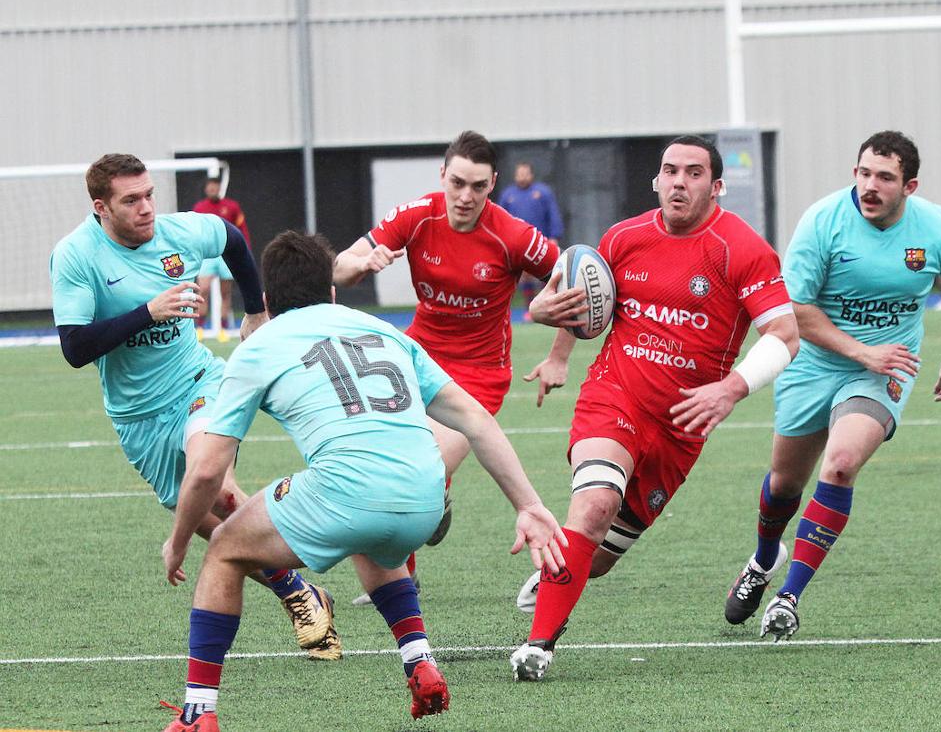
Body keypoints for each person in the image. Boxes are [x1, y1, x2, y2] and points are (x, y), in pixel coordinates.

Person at [159, 231, 567, 730]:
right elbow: (476, 419)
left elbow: (205, 470)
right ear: (332, 293)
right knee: (372, 534)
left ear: (266, 301)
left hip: (349, 492)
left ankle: (198, 712)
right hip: (425, 495)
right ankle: (419, 659)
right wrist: (527, 504)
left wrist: (179, 540)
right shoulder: (387, 332)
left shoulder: (259, 345)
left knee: (224, 549)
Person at [510, 135, 800, 681]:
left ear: (715, 187)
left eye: (693, 173)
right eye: (669, 171)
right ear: (656, 180)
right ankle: (539, 646)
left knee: (595, 560)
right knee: (594, 507)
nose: (678, 182)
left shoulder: (741, 248)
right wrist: (549, 332)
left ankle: (564, 568)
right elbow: (576, 303)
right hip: (613, 398)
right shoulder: (623, 238)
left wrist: (732, 387)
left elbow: (784, 335)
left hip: (681, 430)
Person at [48, 154, 339, 662]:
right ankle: (299, 590)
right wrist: (148, 312)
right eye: (131, 200)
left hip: (200, 382)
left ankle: (299, 583)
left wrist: (256, 311)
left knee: (215, 483)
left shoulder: (178, 233)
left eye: (149, 195)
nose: (146, 209)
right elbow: (75, 348)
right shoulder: (75, 256)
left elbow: (231, 238)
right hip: (138, 417)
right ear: (101, 207)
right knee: (207, 516)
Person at [721, 131, 941, 639]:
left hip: (883, 370)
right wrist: (862, 350)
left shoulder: (938, 228)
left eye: (884, 177)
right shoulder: (823, 221)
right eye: (863, 173)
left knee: (839, 466)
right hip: (813, 362)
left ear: (910, 185)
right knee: (784, 484)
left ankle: (788, 597)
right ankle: (765, 559)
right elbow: (796, 310)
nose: (870, 185)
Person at [334, 132, 559, 602]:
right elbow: (337, 266)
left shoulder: (512, 235)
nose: (465, 196)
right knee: (380, 458)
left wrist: (558, 356)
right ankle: (405, 572)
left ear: (493, 184)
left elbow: (577, 279)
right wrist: (362, 264)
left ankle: (431, 503)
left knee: (422, 468)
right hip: (414, 358)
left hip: (479, 374)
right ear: (442, 176)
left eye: (478, 186)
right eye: (457, 182)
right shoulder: (417, 216)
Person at [498, 162, 565, 312]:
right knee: (525, 276)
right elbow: (499, 219)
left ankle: (549, 306)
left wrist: (554, 236)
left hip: (541, 242)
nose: (522, 177)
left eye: (525, 173)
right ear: (515, 176)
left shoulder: (543, 192)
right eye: (519, 174)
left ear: (531, 175)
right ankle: (529, 308)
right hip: (517, 244)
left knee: (546, 272)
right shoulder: (508, 195)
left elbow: (553, 215)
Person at [193, 177, 250, 337]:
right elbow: (195, 231)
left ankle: (224, 329)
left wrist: (244, 250)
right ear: (206, 190)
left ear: (219, 189)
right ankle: (200, 328)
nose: (213, 190)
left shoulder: (231, 207)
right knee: (202, 290)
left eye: (216, 188)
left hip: (226, 253)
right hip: (207, 255)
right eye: (210, 188)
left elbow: (242, 229)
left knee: (225, 293)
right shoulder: (199, 208)